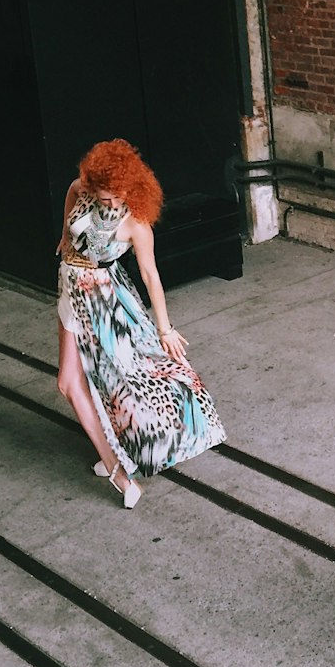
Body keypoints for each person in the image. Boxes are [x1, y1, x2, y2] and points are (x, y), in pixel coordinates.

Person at [56, 138, 227, 508]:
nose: (113, 204)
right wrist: (64, 237)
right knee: (81, 382)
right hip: (71, 290)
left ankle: (119, 470)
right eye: (105, 198)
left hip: (101, 301)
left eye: (119, 196)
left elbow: (151, 275)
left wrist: (165, 329)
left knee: (91, 381)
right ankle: (116, 459)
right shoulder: (81, 187)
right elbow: (72, 196)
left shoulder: (137, 222)